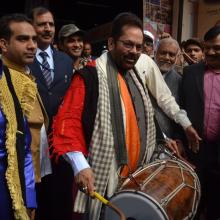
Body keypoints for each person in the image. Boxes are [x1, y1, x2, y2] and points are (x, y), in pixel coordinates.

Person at [51, 12, 200, 220]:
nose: (134, 52)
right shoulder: (90, 76)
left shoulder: (135, 74)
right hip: (101, 178)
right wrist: (80, 166)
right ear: (111, 43)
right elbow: (68, 122)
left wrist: (163, 139)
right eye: (128, 45)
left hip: (136, 175)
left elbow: (141, 116)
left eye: (138, 47)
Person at [28, 7, 74, 220]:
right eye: (41, 24)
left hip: (61, 144)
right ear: (32, 27)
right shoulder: (23, 59)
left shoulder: (65, 60)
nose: (47, 28)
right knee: (37, 198)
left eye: (51, 24)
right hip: (33, 143)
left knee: (61, 196)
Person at [0, 13, 37, 220]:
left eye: (34, 39)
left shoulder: (18, 84)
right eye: (23, 39)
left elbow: (23, 147)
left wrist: (29, 198)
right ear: (4, 45)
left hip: (11, 193)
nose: (32, 45)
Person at [181, 25, 220, 220]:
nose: (210, 52)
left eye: (217, 48)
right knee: (191, 201)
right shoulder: (190, 73)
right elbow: (180, 108)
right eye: (207, 47)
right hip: (195, 149)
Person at [154, 38, 182, 138]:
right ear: (155, 53)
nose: (167, 58)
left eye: (171, 55)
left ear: (177, 57)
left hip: (168, 141)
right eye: (163, 53)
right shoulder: (141, 72)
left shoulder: (180, 81)